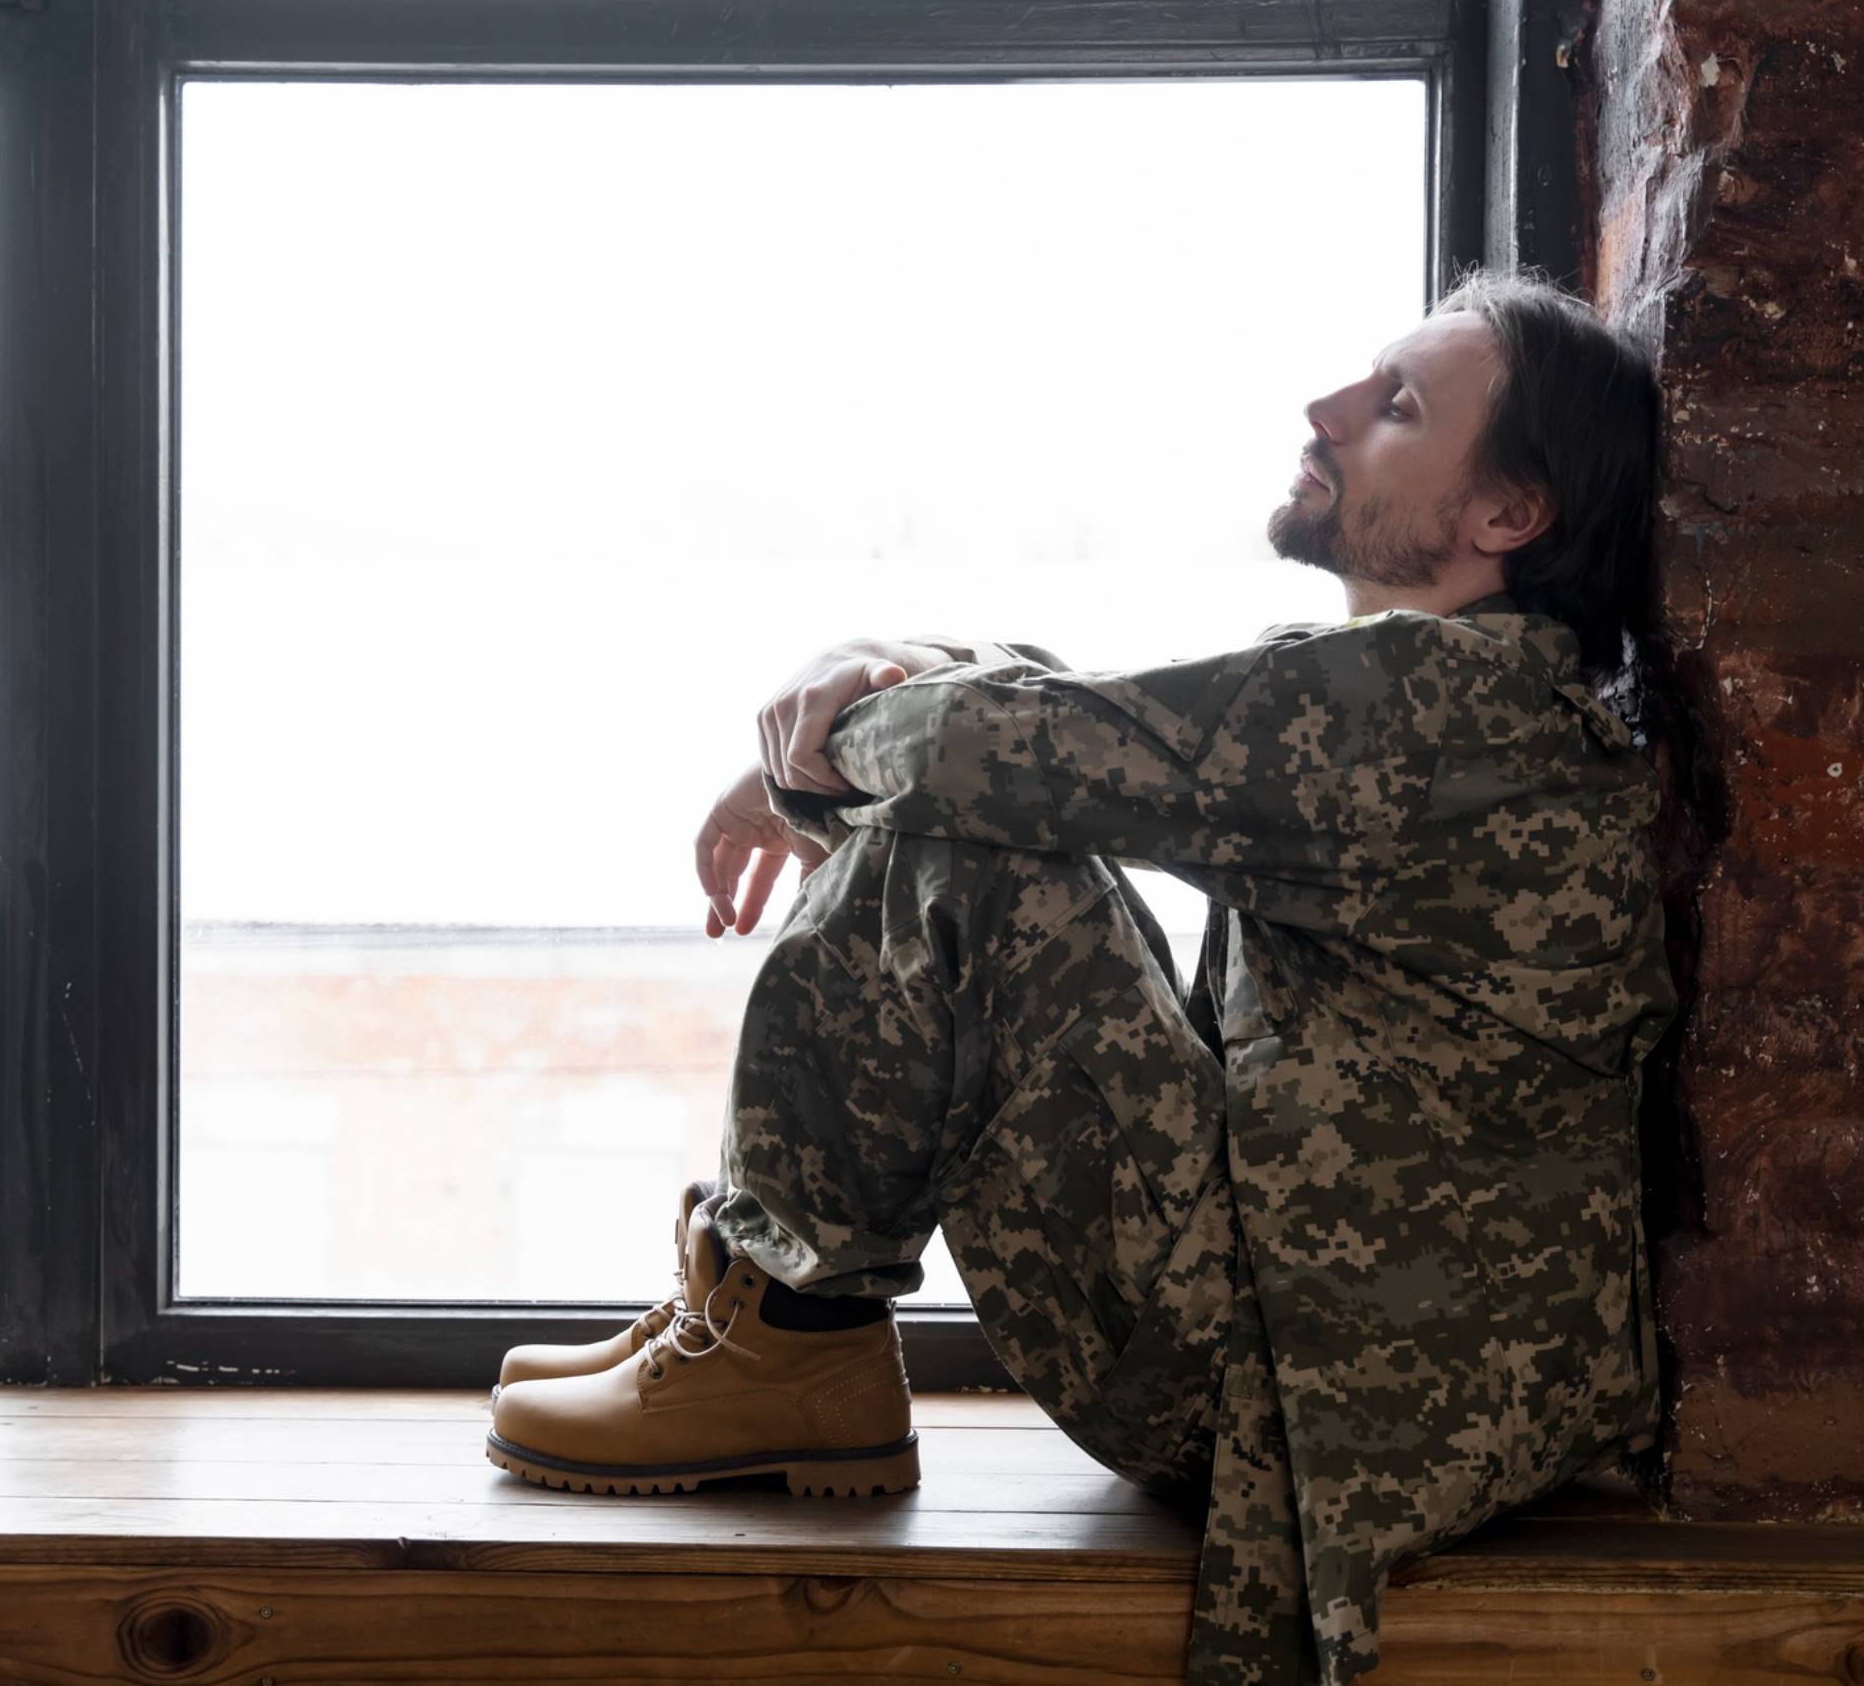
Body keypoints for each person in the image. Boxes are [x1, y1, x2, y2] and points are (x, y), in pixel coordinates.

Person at [486, 266, 1682, 1686]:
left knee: (977, 856)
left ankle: (789, 1327)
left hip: (1304, 1405)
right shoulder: (1454, 698)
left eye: (1397, 403)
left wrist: (807, 751)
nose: (1328, 407)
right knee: (1004, 823)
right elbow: (1091, 723)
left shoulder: (1439, 707)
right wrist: (883, 671)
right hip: (1342, 1370)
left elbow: (1006, 755)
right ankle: (762, 1312)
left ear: (1507, 512)